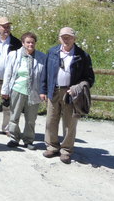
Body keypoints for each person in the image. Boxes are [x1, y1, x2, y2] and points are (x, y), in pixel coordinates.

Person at [40, 27, 95, 164]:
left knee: (70, 123)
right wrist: (43, 90)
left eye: (69, 37)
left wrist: (77, 88)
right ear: (59, 38)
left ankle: (66, 150)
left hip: (71, 93)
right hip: (54, 90)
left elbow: (89, 78)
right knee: (51, 120)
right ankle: (52, 146)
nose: (66, 40)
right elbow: (45, 73)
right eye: (63, 37)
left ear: (74, 38)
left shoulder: (82, 55)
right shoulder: (52, 52)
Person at [2, 32, 46, 150]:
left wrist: (44, 91)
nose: (30, 44)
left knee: (31, 119)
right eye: (28, 42)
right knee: (14, 117)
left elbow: (44, 77)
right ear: (23, 43)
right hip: (17, 89)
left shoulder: (42, 57)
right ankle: (14, 138)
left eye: (32, 42)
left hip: (34, 92)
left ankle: (28, 140)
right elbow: (8, 73)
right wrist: (5, 90)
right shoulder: (14, 55)